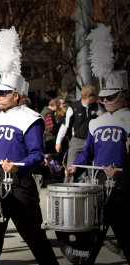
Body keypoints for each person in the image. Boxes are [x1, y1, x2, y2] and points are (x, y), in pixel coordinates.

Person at [0, 26, 58, 265]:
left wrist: (18, 168)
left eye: (3, 93)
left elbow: (38, 155)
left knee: (36, 240)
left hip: (21, 187)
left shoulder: (31, 118)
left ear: (17, 94)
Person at [66, 70, 130, 263]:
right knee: (93, 239)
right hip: (100, 186)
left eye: (111, 97)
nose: (106, 101)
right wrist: (76, 167)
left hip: (124, 188)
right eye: (104, 98)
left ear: (123, 94)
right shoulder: (96, 122)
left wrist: (122, 175)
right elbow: (88, 152)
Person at [55, 85, 101, 168]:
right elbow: (65, 126)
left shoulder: (97, 106)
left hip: (92, 141)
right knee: (71, 167)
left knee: (92, 168)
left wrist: (102, 115)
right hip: (77, 141)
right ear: (88, 96)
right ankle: (69, 181)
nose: (97, 97)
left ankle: (91, 181)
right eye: (95, 95)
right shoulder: (73, 107)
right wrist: (58, 142)